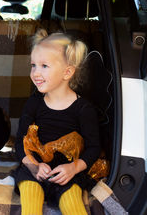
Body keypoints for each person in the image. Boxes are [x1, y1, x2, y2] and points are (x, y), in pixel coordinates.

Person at [12, 29, 100, 215]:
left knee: (73, 202)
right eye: (33, 65)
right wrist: (32, 165)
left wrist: (73, 168)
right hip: (35, 166)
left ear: (67, 72)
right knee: (29, 194)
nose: (35, 72)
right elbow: (20, 141)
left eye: (44, 66)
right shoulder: (34, 103)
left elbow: (93, 148)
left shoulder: (83, 109)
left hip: (67, 171)